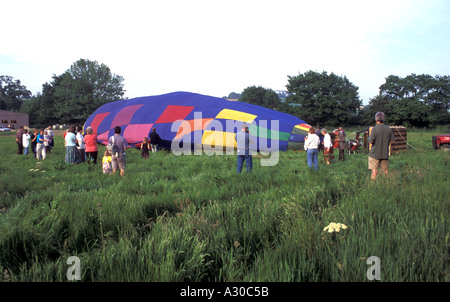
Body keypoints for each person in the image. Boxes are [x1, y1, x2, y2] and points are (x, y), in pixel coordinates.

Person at [368, 112, 396, 180]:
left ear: (376, 119)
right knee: (385, 171)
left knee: (374, 171)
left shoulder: (374, 129)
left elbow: (370, 141)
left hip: (374, 154)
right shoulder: (388, 128)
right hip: (384, 154)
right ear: (383, 119)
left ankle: (373, 187)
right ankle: (385, 185)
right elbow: (393, 140)